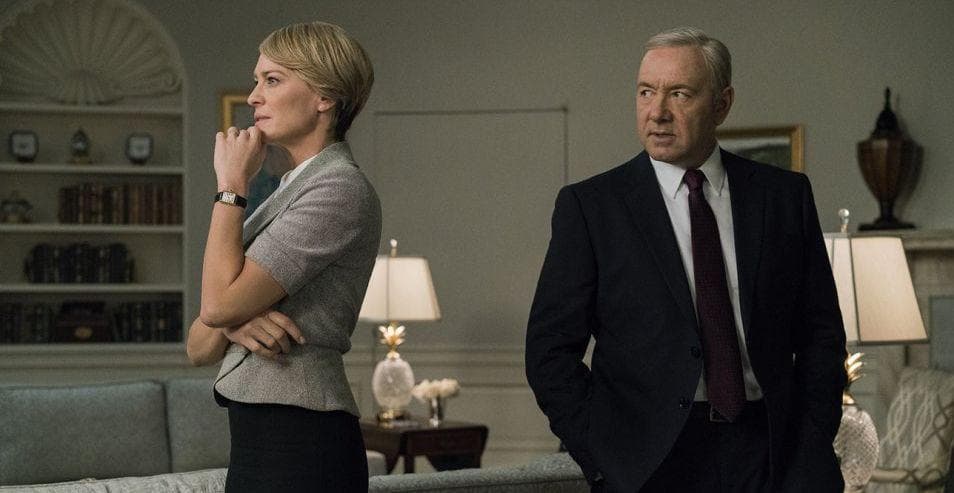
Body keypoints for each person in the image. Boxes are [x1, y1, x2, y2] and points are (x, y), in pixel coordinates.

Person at [525, 27, 846, 492]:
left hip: (772, 455)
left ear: (722, 104)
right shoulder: (591, 208)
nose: (657, 112)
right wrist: (605, 456)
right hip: (650, 465)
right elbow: (549, 352)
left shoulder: (782, 196)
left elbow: (821, 335)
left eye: (679, 94)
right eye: (645, 92)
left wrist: (811, 446)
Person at [185, 21, 381, 492]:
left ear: (325, 97)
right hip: (262, 441)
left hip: (302, 442)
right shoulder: (290, 189)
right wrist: (234, 323)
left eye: (272, 80)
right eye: (257, 81)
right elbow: (198, 345)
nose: (254, 97)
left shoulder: (339, 189)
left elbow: (215, 306)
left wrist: (231, 186)